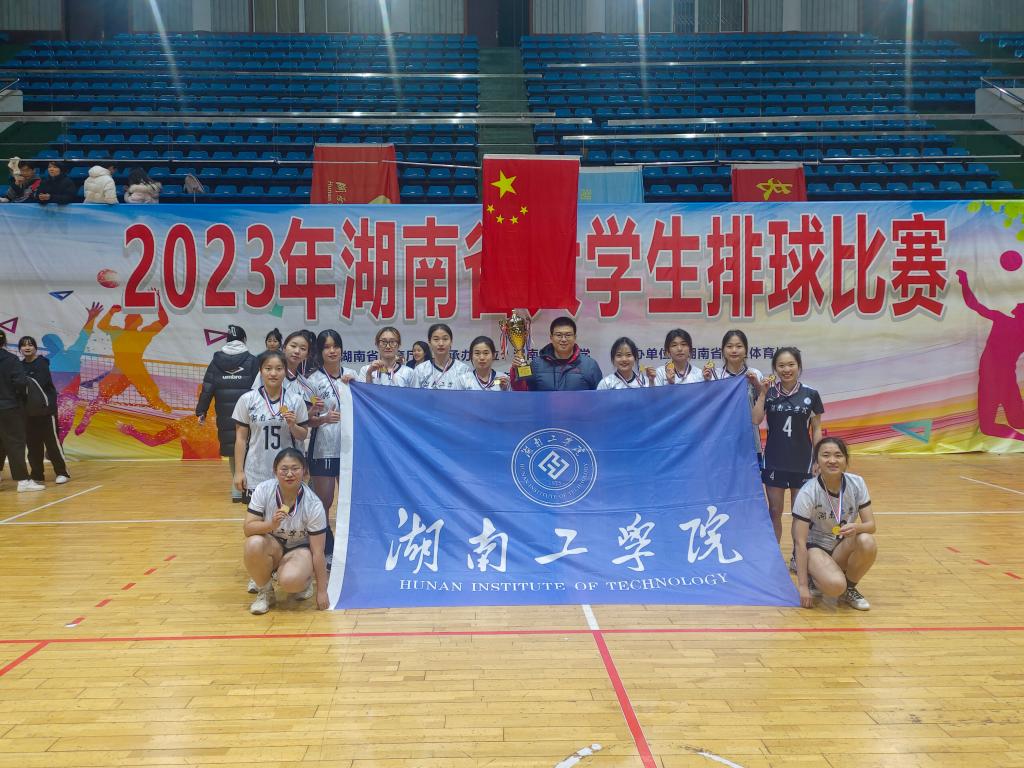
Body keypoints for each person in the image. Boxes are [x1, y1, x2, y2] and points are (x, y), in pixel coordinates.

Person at [792, 437, 877, 611]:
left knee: (867, 541)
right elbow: (799, 542)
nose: (832, 460)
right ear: (817, 462)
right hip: (815, 548)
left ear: (846, 460)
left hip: (840, 546)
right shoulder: (808, 492)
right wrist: (802, 586)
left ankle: (850, 588)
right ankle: (813, 577)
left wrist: (857, 527)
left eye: (838, 455)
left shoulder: (857, 483)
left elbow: (871, 525)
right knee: (836, 586)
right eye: (826, 455)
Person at [243, 447, 329, 614]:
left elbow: (318, 552)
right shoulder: (263, 490)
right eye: (284, 469)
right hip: (273, 545)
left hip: (299, 549)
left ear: (304, 471)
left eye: (295, 468)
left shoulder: (314, 505)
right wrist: (271, 525)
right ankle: (265, 591)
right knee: (253, 544)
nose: (289, 474)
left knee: (290, 581)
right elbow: (248, 528)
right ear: (275, 470)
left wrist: (322, 591)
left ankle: (304, 581)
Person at [752, 347, 824, 542]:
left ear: (799, 366)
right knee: (774, 511)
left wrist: (818, 458)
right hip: (774, 460)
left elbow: (817, 429)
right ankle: (774, 554)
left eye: (791, 364)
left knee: (800, 513)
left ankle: (797, 553)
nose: (786, 369)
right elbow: (756, 420)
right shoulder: (769, 392)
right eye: (781, 365)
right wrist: (762, 394)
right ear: (775, 369)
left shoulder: (811, 394)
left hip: (802, 462)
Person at [74, 296, 171, 436]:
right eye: (131, 318)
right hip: (128, 371)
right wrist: (111, 312)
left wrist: (111, 312)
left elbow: (164, 321)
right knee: (102, 398)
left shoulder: (129, 333)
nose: (131, 319)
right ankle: (86, 419)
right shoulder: (135, 333)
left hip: (128, 371)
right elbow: (164, 321)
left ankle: (86, 418)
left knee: (154, 400)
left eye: (133, 318)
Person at [306, 329, 358, 557]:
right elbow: (306, 420)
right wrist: (323, 418)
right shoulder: (313, 381)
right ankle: (326, 549)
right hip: (323, 449)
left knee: (349, 501)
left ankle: (350, 547)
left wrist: (355, 385)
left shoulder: (352, 375)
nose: (332, 351)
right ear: (320, 352)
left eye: (335, 346)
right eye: (326, 347)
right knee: (324, 502)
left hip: (350, 448)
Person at [956, 269, 1024, 441]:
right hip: (996, 377)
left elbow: (974, 305)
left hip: (996, 378)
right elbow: (974, 305)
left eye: (1018, 308)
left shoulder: (1003, 320)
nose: (1015, 307)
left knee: (1005, 423)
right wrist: (964, 283)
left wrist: (964, 282)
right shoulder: (1004, 321)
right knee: (1009, 422)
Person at [232, 350, 309, 501]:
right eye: (268, 368)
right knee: (256, 515)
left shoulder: (296, 400)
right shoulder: (247, 399)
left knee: (286, 514)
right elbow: (240, 439)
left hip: (287, 472)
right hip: (255, 471)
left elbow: (303, 435)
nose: (273, 373)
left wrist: (293, 425)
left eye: (279, 369)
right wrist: (239, 471)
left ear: (285, 371)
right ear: (261, 371)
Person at [195, 325, 259, 503]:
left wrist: (201, 410)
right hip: (248, 412)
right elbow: (260, 388)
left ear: (227, 340)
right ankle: (247, 489)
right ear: (244, 339)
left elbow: (207, 388)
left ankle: (236, 490)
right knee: (249, 448)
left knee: (233, 448)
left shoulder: (216, 362)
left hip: (225, 413)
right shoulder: (252, 361)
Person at [43, 301, 104, 443]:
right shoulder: (51, 358)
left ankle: (55, 447)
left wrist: (91, 318)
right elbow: (84, 336)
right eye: (50, 343)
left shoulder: (50, 358)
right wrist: (91, 318)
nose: (52, 345)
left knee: (60, 427)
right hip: (61, 398)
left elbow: (84, 336)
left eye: (51, 342)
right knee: (60, 427)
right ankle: (55, 447)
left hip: (62, 398)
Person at [703, 329, 764, 461]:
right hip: (721, 440)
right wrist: (707, 384)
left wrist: (757, 384)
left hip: (749, 440)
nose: (734, 350)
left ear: (746, 350)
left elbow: (764, 402)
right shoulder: (714, 375)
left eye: (739, 346)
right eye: (729, 346)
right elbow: (708, 409)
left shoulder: (754, 374)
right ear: (723, 351)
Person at [18, 336, 69, 486]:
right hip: (29, 413)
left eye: (30, 345)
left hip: (46, 411)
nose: (27, 348)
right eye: (24, 345)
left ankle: (62, 472)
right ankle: (37, 475)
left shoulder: (42, 363)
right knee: (33, 445)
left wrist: (21, 382)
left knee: (52, 444)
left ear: (35, 348)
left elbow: (37, 383)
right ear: (20, 349)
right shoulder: (19, 366)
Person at [511, 317, 602, 391]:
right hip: (545, 409)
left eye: (568, 335)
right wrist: (516, 371)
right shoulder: (536, 364)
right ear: (551, 337)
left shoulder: (590, 365)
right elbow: (523, 390)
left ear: (575, 337)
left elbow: (600, 397)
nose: (563, 339)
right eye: (559, 335)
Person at [0, 330, 41, 492]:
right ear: (4, 342)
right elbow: (21, 383)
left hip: (7, 406)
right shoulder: (11, 359)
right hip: (10, 407)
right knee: (15, 444)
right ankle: (23, 481)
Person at [415, 323, 470, 389]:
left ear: (451, 342)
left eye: (445, 339)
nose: (441, 343)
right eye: (436, 339)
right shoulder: (420, 370)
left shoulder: (463, 370)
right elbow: (414, 394)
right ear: (429, 343)